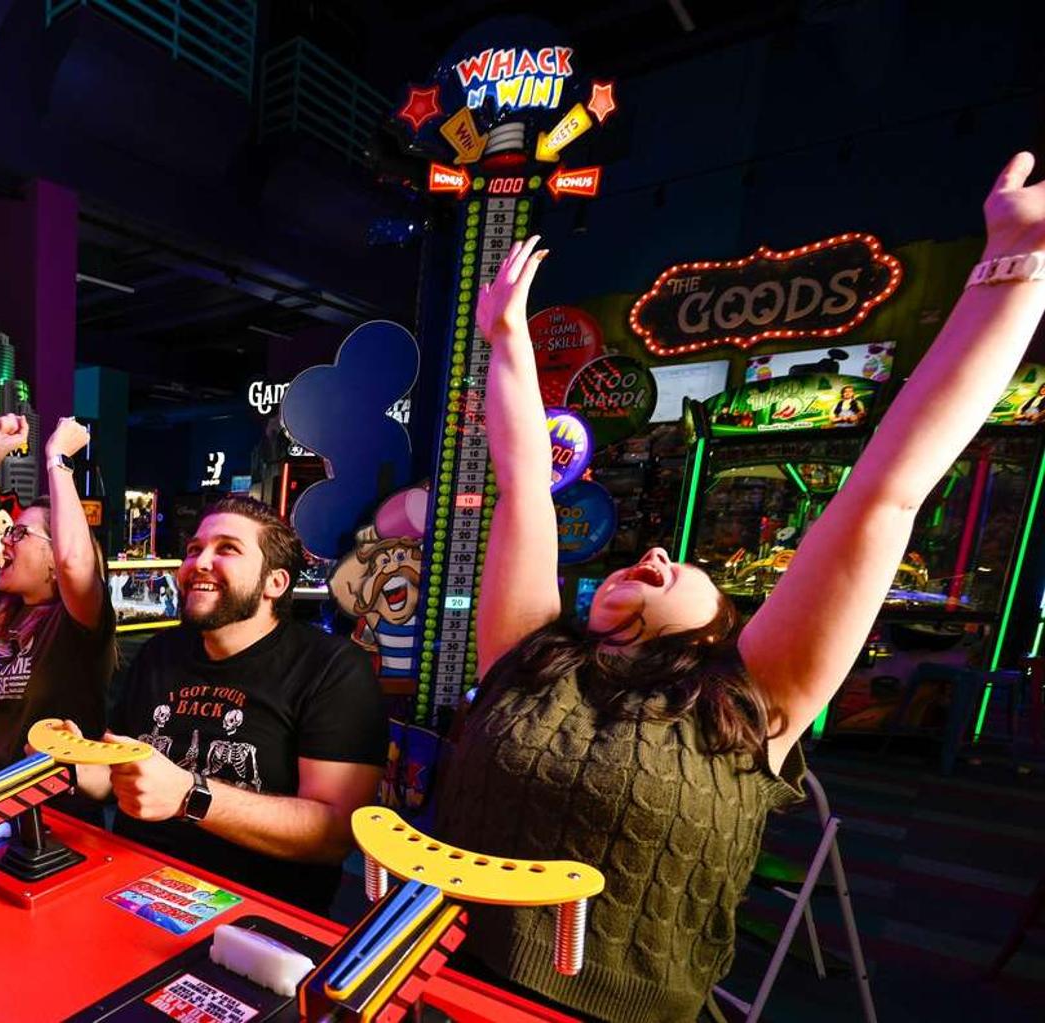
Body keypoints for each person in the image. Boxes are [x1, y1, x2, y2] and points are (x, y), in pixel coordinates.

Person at [433, 153, 1045, 1023]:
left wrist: (1013, 270)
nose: (651, 555)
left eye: (682, 571)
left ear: (718, 632)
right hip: (448, 990)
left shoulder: (747, 698)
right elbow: (526, 474)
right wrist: (508, 341)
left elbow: (883, 495)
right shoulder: (532, 654)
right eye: (647, 560)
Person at [58, 496, 386, 912]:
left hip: (252, 919)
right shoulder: (160, 652)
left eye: (227, 549)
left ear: (276, 583)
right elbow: (120, 777)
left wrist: (190, 796)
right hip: (127, 887)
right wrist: (83, 769)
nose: (199, 562)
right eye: (194, 549)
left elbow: (335, 833)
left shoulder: (332, 668)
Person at [0, 414, 113, 776]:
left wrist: (58, 459)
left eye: (19, 533)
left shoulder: (76, 619)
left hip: (52, 815)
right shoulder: (6, 605)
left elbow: (76, 564)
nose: (3, 541)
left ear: (53, 557)